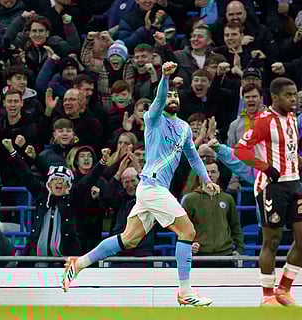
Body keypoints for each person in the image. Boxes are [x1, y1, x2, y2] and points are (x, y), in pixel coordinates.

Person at [62, 61, 220, 307]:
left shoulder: (185, 128)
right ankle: (185, 291)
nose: (173, 97)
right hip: (152, 186)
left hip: (153, 190)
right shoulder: (153, 118)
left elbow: (193, 157)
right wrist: (164, 78)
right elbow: (157, 101)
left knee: (128, 239)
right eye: (168, 94)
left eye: (175, 94)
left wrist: (207, 180)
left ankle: (79, 263)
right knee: (187, 231)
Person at [234, 77, 302, 306]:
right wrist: (265, 167)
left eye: (295, 94)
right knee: (272, 240)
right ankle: (267, 295)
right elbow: (240, 149)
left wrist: (298, 160)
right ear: (275, 97)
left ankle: (284, 289)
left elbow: (287, 148)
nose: (293, 99)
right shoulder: (263, 121)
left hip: (294, 183)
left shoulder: (292, 119)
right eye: (288, 95)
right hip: (271, 186)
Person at [181, 161, 244, 267]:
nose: (209, 175)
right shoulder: (190, 200)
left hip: (225, 255)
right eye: (206, 171)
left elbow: (235, 227)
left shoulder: (227, 199)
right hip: (199, 256)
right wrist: (189, 245)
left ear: (218, 174)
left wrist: (239, 249)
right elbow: (182, 229)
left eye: (213, 172)